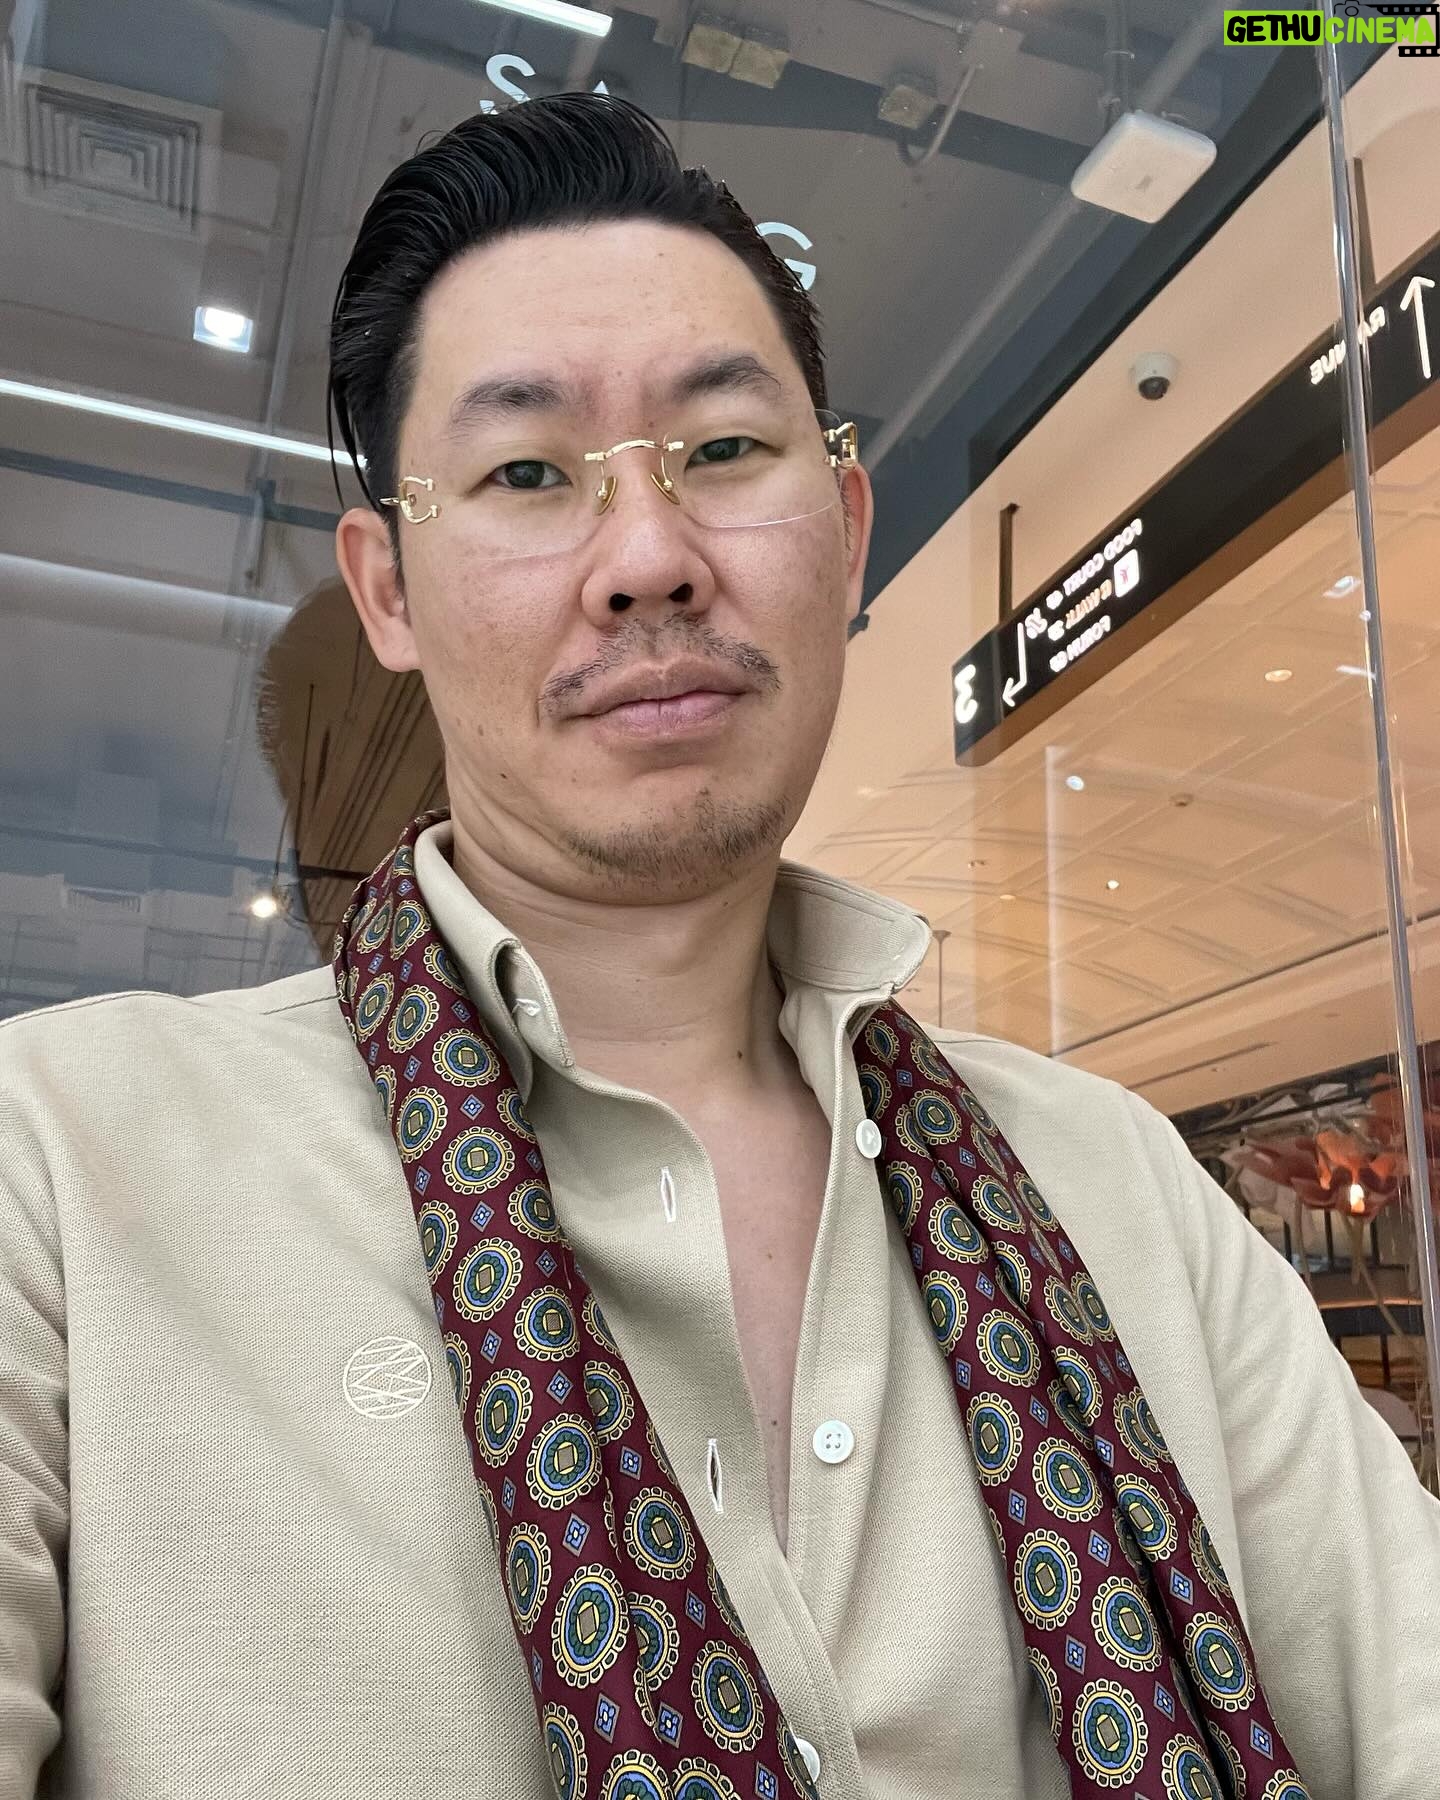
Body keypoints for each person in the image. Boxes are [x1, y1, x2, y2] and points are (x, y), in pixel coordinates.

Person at [1, 94, 1435, 1800]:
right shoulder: (65, 1170)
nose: (648, 559)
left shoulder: (1118, 1186)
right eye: (527, 473)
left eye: (727, 450)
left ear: (848, 525)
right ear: (387, 592)